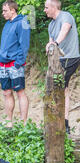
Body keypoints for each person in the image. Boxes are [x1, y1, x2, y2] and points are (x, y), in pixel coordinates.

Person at [44, 0, 80, 134]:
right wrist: (50, 47)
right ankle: (60, 122)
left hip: (70, 58)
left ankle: (64, 124)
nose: (44, 10)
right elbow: (51, 42)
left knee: (60, 87)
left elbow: (65, 29)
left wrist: (56, 43)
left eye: (46, 7)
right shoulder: (51, 25)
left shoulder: (66, 16)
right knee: (60, 88)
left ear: (54, 7)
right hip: (58, 60)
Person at [0, 1, 31, 128]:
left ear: (13, 10)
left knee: (20, 92)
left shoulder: (23, 23)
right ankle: (9, 122)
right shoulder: (7, 24)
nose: (3, 13)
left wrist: (18, 63)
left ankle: (23, 123)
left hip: (15, 64)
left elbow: (24, 45)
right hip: (3, 64)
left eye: (5, 11)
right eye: (2, 11)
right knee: (6, 93)